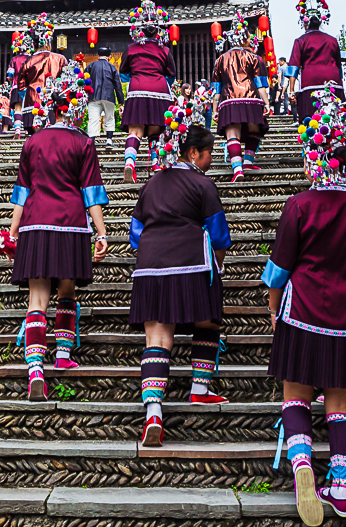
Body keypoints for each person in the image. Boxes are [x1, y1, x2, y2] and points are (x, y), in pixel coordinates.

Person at [265, 83, 346, 524]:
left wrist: (274, 307)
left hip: (301, 312)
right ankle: (343, 490)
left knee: (295, 398)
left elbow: (280, 266)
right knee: (341, 406)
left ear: (314, 156)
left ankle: (302, 468)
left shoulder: (300, 204)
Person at [129, 112, 231, 447]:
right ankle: (200, 389)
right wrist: (219, 264)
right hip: (190, 264)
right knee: (208, 322)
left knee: (157, 338)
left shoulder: (152, 183)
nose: (212, 158)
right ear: (192, 153)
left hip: (149, 266)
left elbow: (135, 234)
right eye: (209, 152)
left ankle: (154, 413)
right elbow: (218, 235)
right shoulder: (203, 184)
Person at [9, 63, 109, 400]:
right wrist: (102, 232)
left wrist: (12, 231)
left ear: (49, 107)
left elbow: (20, 192)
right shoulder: (83, 144)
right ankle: (63, 357)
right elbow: (91, 193)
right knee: (67, 291)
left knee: (36, 300)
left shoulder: (32, 142)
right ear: (76, 108)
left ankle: (35, 368)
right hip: (71, 225)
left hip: (35, 223)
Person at [118, 0, 177, 181]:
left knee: (135, 131)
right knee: (156, 129)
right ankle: (155, 163)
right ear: (159, 30)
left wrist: (136, 77)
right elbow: (171, 75)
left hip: (137, 89)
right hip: (159, 90)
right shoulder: (165, 50)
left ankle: (129, 163)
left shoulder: (131, 49)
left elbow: (123, 73)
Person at [210, 13, 270, 182]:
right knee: (255, 129)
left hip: (229, 101)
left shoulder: (220, 60)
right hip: (252, 98)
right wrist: (266, 103)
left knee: (232, 134)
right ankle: (248, 161)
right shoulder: (255, 58)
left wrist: (215, 109)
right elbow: (261, 85)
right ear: (244, 39)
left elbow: (217, 90)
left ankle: (238, 170)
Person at [284, 0, 345, 123]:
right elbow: (339, 66)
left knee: (312, 119)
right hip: (333, 81)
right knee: (335, 118)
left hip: (310, 81)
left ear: (305, 23)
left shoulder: (300, 41)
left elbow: (294, 67)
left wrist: (292, 91)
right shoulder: (332, 40)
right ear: (321, 22)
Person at [17, 13, 69, 134]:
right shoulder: (61, 58)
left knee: (36, 135)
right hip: (55, 100)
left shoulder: (28, 61)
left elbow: (21, 86)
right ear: (49, 42)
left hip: (33, 100)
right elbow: (66, 80)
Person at [86, 47, 124, 146]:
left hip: (93, 96)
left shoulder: (91, 66)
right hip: (109, 97)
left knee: (93, 119)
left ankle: (91, 142)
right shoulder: (112, 67)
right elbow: (118, 86)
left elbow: (83, 79)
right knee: (110, 118)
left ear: (98, 56)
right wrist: (121, 102)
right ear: (109, 56)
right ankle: (109, 140)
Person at [6, 31, 32, 134]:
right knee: (28, 108)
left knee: (18, 108)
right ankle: (26, 129)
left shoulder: (14, 59)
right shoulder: (31, 58)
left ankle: (17, 129)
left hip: (17, 85)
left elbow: (10, 74)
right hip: (29, 86)